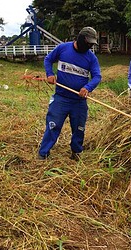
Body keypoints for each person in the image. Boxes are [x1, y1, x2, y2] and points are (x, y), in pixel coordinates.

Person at [38, 27, 102, 161]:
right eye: (88, 42)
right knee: (53, 125)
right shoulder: (63, 48)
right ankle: (43, 154)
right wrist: (50, 74)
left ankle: (76, 152)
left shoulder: (91, 58)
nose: (90, 46)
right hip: (61, 98)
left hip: (78, 101)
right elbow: (48, 59)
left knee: (79, 129)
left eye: (92, 44)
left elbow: (97, 76)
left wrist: (88, 87)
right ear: (81, 38)